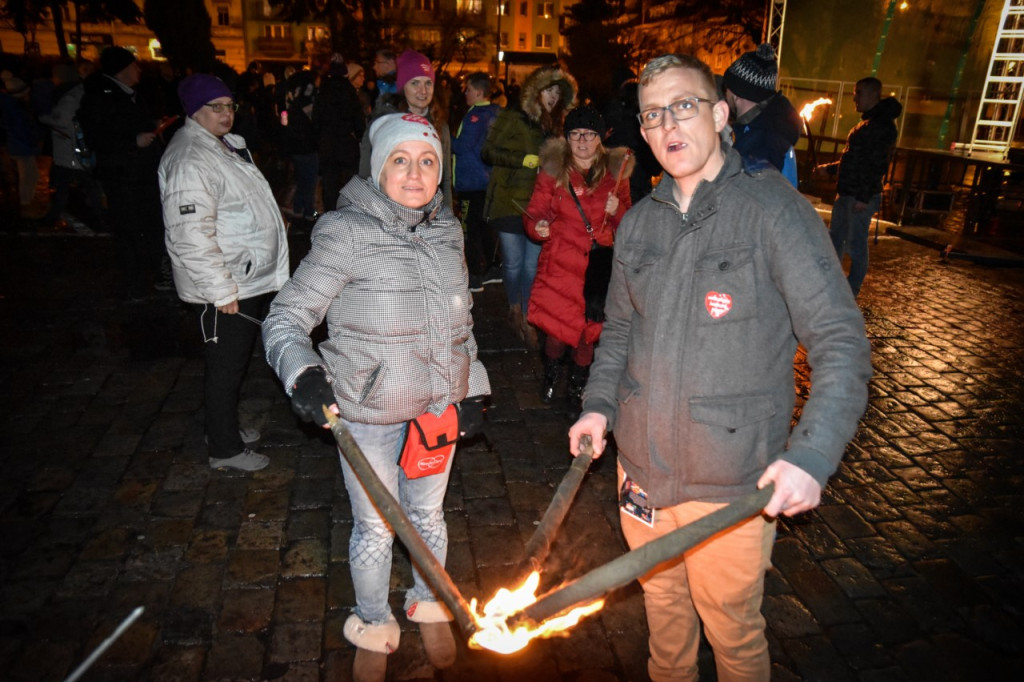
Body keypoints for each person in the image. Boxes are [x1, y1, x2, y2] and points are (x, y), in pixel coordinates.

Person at [568, 53, 872, 682]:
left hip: (730, 488)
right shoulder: (640, 223)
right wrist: (598, 406)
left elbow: (840, 340)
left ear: (721, 112)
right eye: (653, 115)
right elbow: (620, 330)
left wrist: (812, 455)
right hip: (642, 480)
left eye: (684, 106)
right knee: (664, 617)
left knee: (733, 634)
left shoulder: (772, 211)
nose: (667, 125)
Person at [262, 113, 490, 682]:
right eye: (401, 160)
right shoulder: (347, 231)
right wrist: (304, 375)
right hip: (369, 414)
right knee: (377, 527)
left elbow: (461, 322)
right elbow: (287, 319)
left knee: (429, 516)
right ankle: (370, 620)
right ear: (378, 165)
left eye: (428, 161)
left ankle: (430, 599)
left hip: (437, 408)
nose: (416, 173)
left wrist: (475, 387)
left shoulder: (448, 231)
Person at [158, 74, 290, 472]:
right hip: (227, 283)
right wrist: (221, 291)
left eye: (229, 105)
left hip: (243, 275)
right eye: (215, 107)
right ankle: (225, 449)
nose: (225, 113)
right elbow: (189, 235)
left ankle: (222, 428)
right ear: (194, 111)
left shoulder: (223, 146)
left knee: (232, 365)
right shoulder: (189, 159)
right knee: (225, 368)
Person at [523, 106, 632, 417]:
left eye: (589, 134)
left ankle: (576, 388)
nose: (582, 140)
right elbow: (534, 213)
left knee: (587, 335)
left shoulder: (616, 175)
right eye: (575, 134)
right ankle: (552, 371)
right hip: (561, 265)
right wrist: (538, 227)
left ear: (600, 139)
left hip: (597, 269)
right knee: (557, 335)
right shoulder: (553, 172)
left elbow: (630, 226)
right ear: (567, 138)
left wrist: (619, 210)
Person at [482, 63, 576, 347]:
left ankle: (527, 316)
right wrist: (522, 159)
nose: (552, 96)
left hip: (540, 204)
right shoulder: (513, 117)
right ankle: (515, 309)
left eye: (557, 92)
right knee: (513, 264)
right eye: (548, 90)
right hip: (510, 200)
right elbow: (488, 151)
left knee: (532, 267)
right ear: (536, 91)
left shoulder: (557, 124)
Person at [79, 47, 166, 297]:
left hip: (137, 174)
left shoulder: (126, 93)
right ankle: (135, 281)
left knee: (145, 224)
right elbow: (98, 136)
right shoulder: (102, 96)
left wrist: (152, 127)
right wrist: (133, 141)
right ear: (122, 70)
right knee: (129, 227)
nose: (138, 69)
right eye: (134, 65)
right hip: (123, 176)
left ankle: (148, 274)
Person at [814, 76, 902, 297]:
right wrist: (830, 169)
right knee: (835, 238)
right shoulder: (867, 124)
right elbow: (853, 160)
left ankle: (851, 290)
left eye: (859, 93)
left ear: (874, 95)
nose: (855, 97)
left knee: (855, 244)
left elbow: (876, 164)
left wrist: (863, 197)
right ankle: (831, 286)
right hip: (847, 193)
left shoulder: (881, 126)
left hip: (859, 196)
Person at [359, 50, 452, 209]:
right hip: (388, 209)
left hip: (428, 211)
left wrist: (447, 213)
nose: (423, 91)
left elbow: (446, 177)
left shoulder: (439, 124)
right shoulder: (384, 122)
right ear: (403, 87)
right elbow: (366, 171)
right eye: (415, 83)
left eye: (428, 83)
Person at [37, 62, 106, 235]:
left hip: (69, 148)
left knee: (69, 185)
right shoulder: (80, 91)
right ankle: (98, 218)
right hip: (75, 148)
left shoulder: (69, 94)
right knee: (85, 184)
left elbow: (62, 121)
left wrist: (43, 119)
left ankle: (96, 218)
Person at [722, 43, 802, 185]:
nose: (725, 92)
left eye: (727, 87)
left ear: (736, 92)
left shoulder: (761, 143)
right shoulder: (770, 128)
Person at [451, 71, 501, 293]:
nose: (465, 93)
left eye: (469, 89)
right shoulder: (495, 112)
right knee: (484, 225)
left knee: (469, 229)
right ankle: (493, 268)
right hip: (486, 179)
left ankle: (475, 277)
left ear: (479, 92)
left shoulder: (475, 116)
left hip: (471, 181)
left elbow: (462, 147)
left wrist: (442, 137)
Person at [314, 54, 365, 211]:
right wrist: (359, 136)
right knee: (348, 183)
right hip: (346, 144)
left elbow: (316, 119)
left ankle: (330, 215)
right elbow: (358, 119)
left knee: (330, 185)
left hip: (328, 145)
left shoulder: (323, 92)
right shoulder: (350, 92)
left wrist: (319, 140)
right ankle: (348, 215)